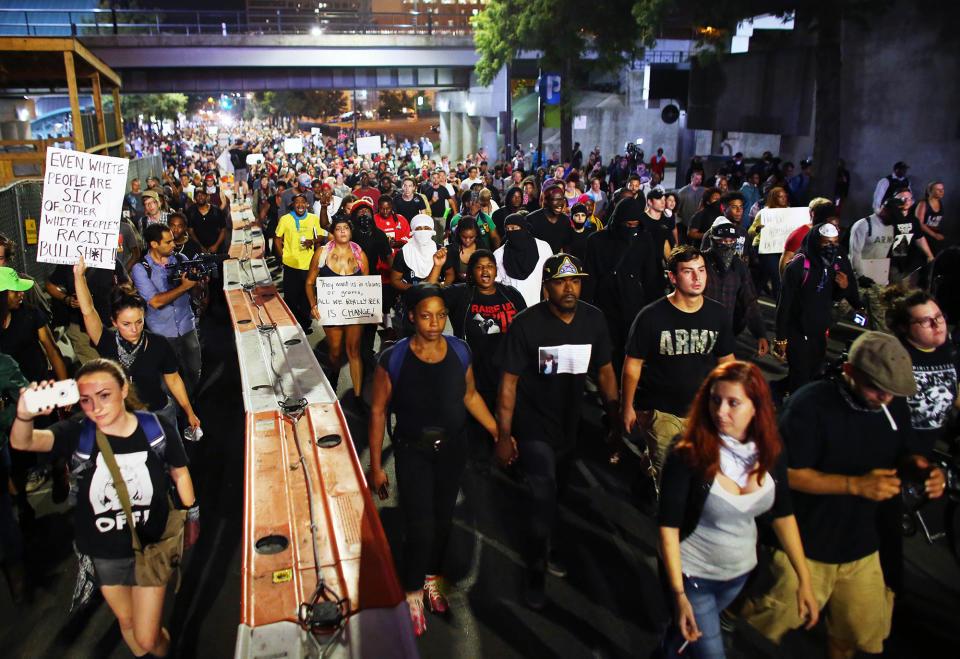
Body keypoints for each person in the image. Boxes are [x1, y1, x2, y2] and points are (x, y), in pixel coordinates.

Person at [737, 332, 946, 658]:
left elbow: (903, 453)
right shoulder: (810, 404)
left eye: (892, 392)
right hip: (804, 544)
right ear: (849, 371)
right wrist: (855, 485)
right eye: (876, 388)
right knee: (764, 628)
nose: (885, 398)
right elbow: (785, 475)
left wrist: (924, 470)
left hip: (861, 546)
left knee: (855, 634)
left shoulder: (891, 404)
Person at [10, 359, 197, 658]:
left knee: (147, 637)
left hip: (150, 545)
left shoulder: (152, 428)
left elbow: (179, 470)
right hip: (104, 549)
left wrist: (191, 514)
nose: (95, 407)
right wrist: (23, 415)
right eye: (86, 399)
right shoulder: (78, 432)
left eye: (104, 395)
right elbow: (25, 442)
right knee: (126, 621)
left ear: (123, 389)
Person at [658, 361, 818, 657]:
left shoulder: (770, 450)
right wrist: (678, 594)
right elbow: (667, 527)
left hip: (738, 575)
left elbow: (783, 515)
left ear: (757, 407)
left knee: (680, 637)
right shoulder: (688, 452)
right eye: (715, 400)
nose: (720, 412)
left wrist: (804, 579)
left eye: (733, 403)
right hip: (693, 576)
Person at [367, 284, 500, 635]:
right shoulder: (393, 359)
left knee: (442, 522)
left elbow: (470, 396)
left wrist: (497, 430)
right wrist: (377, 467)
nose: (435, 322)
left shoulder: (460, 351)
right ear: (411, 317)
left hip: (453, 450)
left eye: (441, 315)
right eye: (426, 315)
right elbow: (379, 411)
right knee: (420, 525)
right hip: (413, 452)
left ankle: (432, 580)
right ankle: (411, 590)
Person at [496, 254, 620, 609]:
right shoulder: (526, 325)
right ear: (546, 287)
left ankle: (547, 543)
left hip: (570, 424)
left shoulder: (593, 320)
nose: (570, 288)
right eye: (562, 282)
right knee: (543, 493)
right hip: (533, 424)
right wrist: (504, 436)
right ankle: (536, 567)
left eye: (576, 281)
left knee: (558, 495)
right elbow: (508, 383)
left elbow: (606, 371)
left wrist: (612, 419)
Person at [620, 246, 736, 473]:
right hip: (660, 409)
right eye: (688, 272)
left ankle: (647, 469)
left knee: (697, 464)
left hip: (701, 408)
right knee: (670, 473)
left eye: (701, 270)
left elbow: (727, 361)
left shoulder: (718, 314)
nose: (697, 278)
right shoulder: (651, 316)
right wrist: (627, 406)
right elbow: (632, 365)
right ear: (672, 277)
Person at [74, 257, 200, 438]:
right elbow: (88, 311)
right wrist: (79, 276)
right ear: (114, 322)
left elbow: (173, 380)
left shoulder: (158, 344)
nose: (134, 329)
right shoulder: (107, 342)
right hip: (124, 419)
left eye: (139, 322)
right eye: (126, 324)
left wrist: (189, 412)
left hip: (160, 414)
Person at [425, 248, 526, 404]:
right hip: (475, 378)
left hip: (509, 376)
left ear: (496, 270)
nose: (485, 270)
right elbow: (426, 295)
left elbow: (525, 332)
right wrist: (437, 266)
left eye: (490, 266)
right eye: (479, 267)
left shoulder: (511, 294)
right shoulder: (460, 294)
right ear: (471, 272)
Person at [582, 196, 663, 374]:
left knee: (630, 349)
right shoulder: (596, 241)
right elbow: (589, 278)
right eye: (627, 225)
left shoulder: (644, 239)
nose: (631, 229)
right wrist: (585, 310)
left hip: (633, 305)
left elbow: (650, 276)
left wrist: (655, 308)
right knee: (606, 351)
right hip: (604, 306)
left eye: (635, 225)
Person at [881, 285, 957, 456]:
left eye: (939, 317)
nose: (937, 325)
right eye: (925, 321)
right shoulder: (893, 358)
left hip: (925, 451)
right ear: (903, 327)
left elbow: (953, 388)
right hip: (891, 455)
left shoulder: (945, 350)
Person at [131, 224, 202, 391]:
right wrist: (184, 287)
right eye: (168, 242)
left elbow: (195, 293)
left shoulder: (181, 259)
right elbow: (155, 301)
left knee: (194, 371)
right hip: (162, 333)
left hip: (187, 326)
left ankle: (193, 403)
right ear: (154, 244)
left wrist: (198, 283)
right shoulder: (140, 269)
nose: (174, 245)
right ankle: (177, 414)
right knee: (168, 381)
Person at [305, 215, 370, 398]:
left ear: (351, 231)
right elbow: (310, 282)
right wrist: (313, 304)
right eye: (339, 228)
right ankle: (333, 377)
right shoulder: (322, 253)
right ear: (333, 232)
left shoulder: (360, 254)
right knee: (335, 351)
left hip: (353, 310)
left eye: (346, 228)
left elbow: (367, 285)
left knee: (353, 351)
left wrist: (371, 306)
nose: (342, 231)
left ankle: (357, 397)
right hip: (331, 310)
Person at [702, 222, 769, 358]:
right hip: (699, 332)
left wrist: (760, 333)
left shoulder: (739, 267)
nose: (727, 244)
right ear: (713, 241)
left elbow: (750, 301)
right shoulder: (700, 263)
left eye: (731, 241)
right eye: (723, 240)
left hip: (726, 331)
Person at [275, 193, 325, 333]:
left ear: (307, 204)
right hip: (290, 264)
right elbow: (277, 238)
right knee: (290, 296)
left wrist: (313, 241)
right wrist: (282, 255)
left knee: (305, 296)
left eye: (303, 202)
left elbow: (320, 236)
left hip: (308, 264)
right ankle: (294, 323)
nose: (300, 205)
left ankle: (304, 324)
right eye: (297, 202)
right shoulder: (285, 219)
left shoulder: (313, 218)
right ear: (293, 204)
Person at [493, 213, 553, 308]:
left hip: (537, 307)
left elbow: (549, 279)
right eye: (507, 229)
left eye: (514, 228)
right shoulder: (499, 254)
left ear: (523, 228)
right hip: (510, 310)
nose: (510, 232)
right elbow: (497, 286)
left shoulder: (543, 248)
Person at [527, 185, 573, 253]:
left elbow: (567, 245)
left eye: (562, 199)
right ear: (546, 201)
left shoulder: (565, 220)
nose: (560, 203)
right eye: (555, 199)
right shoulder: (532, 219)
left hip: (556, 261)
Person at [185, 189, 227, 254]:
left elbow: (223, 230)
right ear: (194, 198)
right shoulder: (191, 212)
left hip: (218, 248)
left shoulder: (216, 211)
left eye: (202, 195)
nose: (200, 197)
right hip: (199, 250)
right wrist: (200, 247)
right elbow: (190, 232)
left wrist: (216, 245)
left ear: (207, 196)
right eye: (198, 195)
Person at [441, 216, 481, 284]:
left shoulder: (482, 250)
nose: (467, 240)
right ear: (459, 234)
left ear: (476, 234)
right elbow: (449, 276)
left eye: (471, 237)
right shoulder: (451, 250)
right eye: (464, 237)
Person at [914, 181, 947, 254]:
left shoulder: (940, 203)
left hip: (935, 235)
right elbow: (919, 223)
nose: (941, 191)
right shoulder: (923, 203)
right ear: (930, 191)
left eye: (942, 189)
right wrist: (934, 235)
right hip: (924, 236)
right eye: (938, 189)